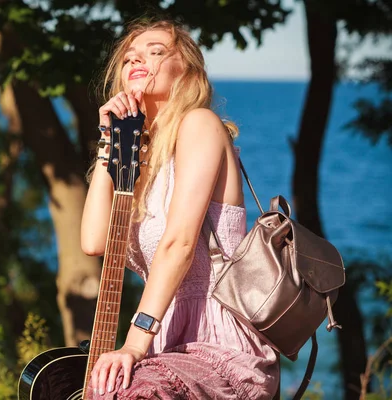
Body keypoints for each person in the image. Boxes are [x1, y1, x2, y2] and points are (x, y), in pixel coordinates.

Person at [80, 19, 279, 399]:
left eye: (156, 52)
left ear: (185, 71)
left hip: (218, 343)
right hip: (163, 341)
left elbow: (180, 244)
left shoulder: (199, 124)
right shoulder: (140, 156)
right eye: (129, 57)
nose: (138, 60)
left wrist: (133, 344)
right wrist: (110, 138)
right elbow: (93, 242)